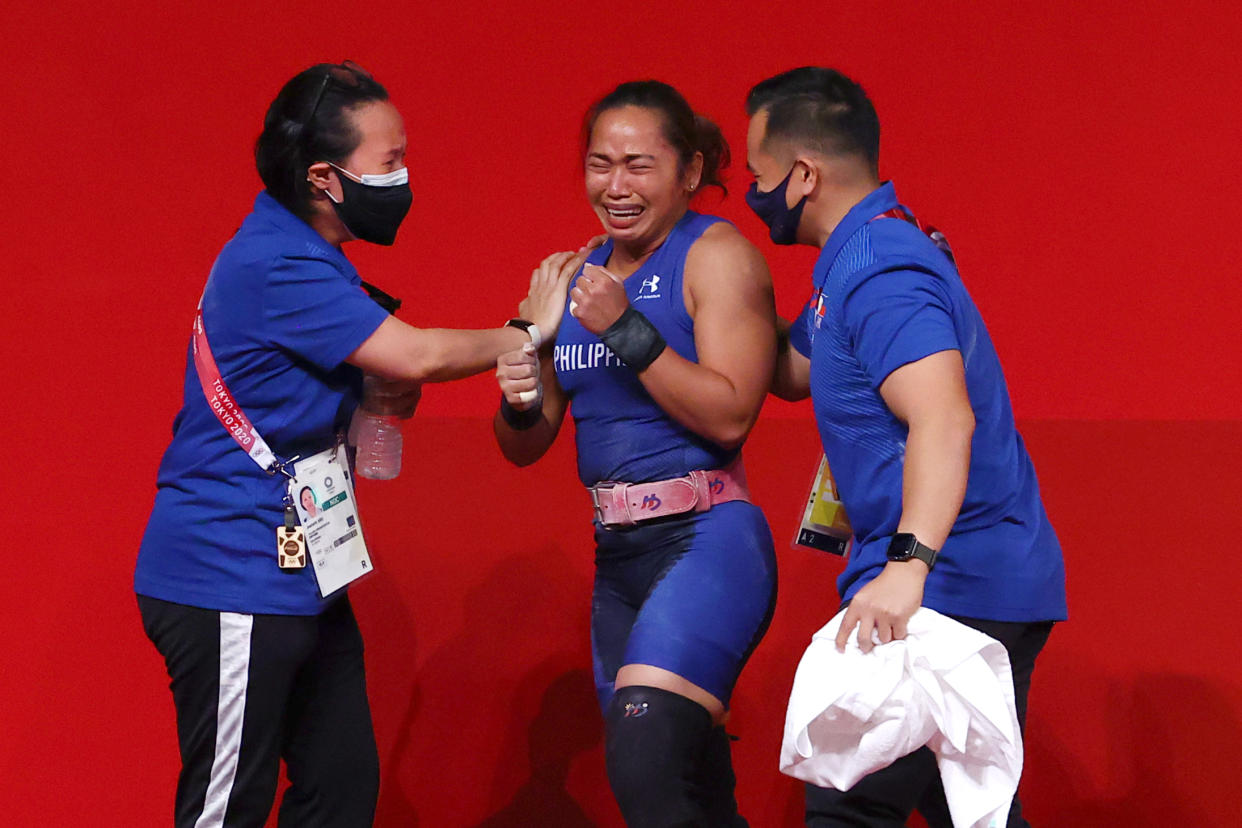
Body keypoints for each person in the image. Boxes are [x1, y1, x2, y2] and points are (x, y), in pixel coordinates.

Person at [134, 61, 585, 828]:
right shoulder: (277, 261)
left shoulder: (315, 257)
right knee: (225, 810)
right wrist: (530, 331)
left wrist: (367, 402)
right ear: (323, 177)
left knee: (340, 791)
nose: (405, 177)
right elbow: (420, 356)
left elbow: (369, 383)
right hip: (230, 572)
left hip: (304, 571)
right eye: (390, 163)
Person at [742, 67, 1068, 827]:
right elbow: (791, 372)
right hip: (956, 581)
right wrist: (667, 316)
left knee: (849, 803)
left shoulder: (881, 269)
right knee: (963, 808)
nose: (754, 196)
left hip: (950, 584)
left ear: (802, 174)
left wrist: (906, 566)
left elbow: (944, 419)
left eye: (757, 178)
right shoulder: (849, 264)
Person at [493, 80, 778, 827]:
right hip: (618, 560)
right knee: (689, 788)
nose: (614, 186)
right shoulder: (572, 275)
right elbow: (526, 446)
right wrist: (520, 388)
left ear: (688, 173)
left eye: (638, 165)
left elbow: (731, 415)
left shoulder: (716, 256)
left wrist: (627, 331)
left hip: (707, 541)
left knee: (643, 756)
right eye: (599, 163)